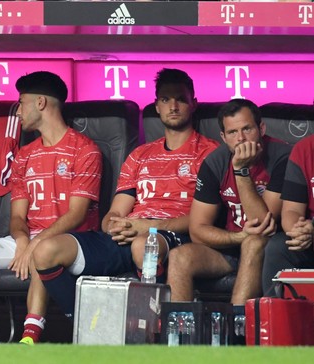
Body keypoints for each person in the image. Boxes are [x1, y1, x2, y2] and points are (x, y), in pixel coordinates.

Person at [31, 68, 218, 319]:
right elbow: (116, 212)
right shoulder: (140, 155)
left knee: (144, 246)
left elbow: (203, 220)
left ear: (193, 104)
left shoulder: (210, 153)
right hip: (129, 234)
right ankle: (93, 323)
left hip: (173, 236)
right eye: (165, 99)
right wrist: (114, 225)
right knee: (45, 251)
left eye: (181, 99)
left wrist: (147, 227)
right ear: (156, 106)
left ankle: (151, 332)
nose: (173, 106)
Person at [0, 72, 102, 344]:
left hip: (70, 242)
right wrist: (24, 240)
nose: (18, 112)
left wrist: (36, 244)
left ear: (40, 103)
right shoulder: (25, 155)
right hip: (31, 237)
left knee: (43, 255)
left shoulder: (85, 150)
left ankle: (29, 339)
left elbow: (77, 214)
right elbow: (17, 216)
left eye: (21, 103)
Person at [168, 99, 288, 304]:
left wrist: (241, 171)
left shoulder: (282, 157)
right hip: (232, 245)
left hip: (269, 247)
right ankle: (180, 333)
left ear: (261, 128)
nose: (240, 138)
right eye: (232, 133)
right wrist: (238, 237)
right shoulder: (215, 162)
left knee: (253, 242)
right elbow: (197, 229)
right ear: (223, 137)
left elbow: (262, 223)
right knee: (180, 257)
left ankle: (236, 330)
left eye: (247, 129)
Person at [261, 134, 314, 296]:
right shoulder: (305, 149)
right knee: (278, 247)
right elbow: (292, 210)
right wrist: (299, 232)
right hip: (311, 234)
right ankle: (273, 317)